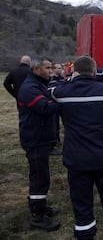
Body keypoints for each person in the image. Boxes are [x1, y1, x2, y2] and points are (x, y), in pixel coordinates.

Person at [51, 56, 103, 239]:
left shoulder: (61, 93)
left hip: (76, 158)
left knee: (82, 205)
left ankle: (85, 234)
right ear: (95, 72)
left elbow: (47, 93)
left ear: (74, 72)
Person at [17, 57, 60, 231]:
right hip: (34, 139)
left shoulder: (38, 84)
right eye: (47, 68)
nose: (51, 71)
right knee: (39, 177)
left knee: (43, 174)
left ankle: (41, 206)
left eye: (51, 67)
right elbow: (45, 108)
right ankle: (37, 215)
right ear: (36, 69)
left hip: (41, 137)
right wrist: (60, 102)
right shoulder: (29, 88)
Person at [48, 62, 66, 155]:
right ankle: (55, 141)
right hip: (54, 105)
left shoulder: (63, 79)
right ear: (53, 69)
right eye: (57, 68)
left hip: (63, 105)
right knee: (54, 125)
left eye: (60, 68)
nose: (59, 69)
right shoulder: (50, 80)